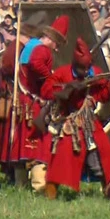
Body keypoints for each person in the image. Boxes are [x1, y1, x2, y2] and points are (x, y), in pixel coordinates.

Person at [40, 38, 110, 199]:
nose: (85, 71)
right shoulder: (63, 73)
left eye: (87, 67)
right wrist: (70, 88)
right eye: (82, 68)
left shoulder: (96, 73)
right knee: (59, 162)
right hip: (69, 121)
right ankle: (50, 195)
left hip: (90, 122)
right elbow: (47, 91)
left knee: (104, 160)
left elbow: (104, 96)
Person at [8, 15, 70, 188]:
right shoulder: (42, 49)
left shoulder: (30, 45)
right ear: (51, 39)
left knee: (22, 143)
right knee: (38, 144)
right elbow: (36, 65)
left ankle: (20, 185)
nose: (56, 49)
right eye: (57, 44)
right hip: (33, 102)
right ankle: (38, 186)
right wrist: (52, 79)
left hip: (24, 100)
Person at [0, 23, 38, 184]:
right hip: (13, 95)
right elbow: (9, 69)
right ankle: (12, 173)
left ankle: (14, 173)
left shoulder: (19, 47)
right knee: (12, 137)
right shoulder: (16, 48)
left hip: (15, 91)